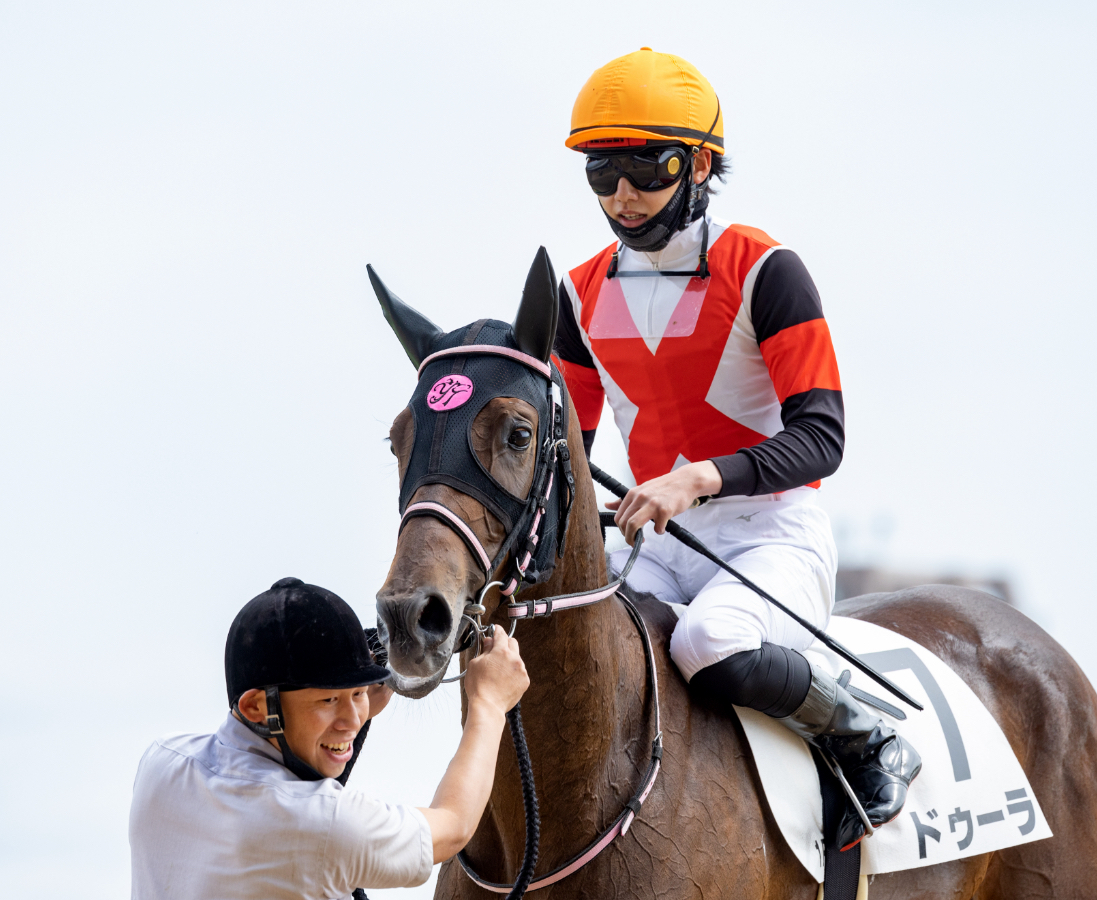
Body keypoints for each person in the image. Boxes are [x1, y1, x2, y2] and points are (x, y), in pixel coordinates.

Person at [552, 47, 919, 851]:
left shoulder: (766, 270)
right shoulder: (575, 294)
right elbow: (568, 458)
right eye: (601, 171)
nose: (622, 194)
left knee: (706, 642)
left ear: (699, 164)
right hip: (656, 544)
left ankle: (863, 731)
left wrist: (697, 478)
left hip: (770, 535)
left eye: (646, 167)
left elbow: (822, 437)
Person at [129, 577, 529, 899]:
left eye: (357, 694)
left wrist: (346, 700)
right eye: (327, 699)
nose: (353, 718)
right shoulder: (321, 824)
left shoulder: (162, 761)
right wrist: (489, 705)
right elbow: (454, 826)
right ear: (255, 707)